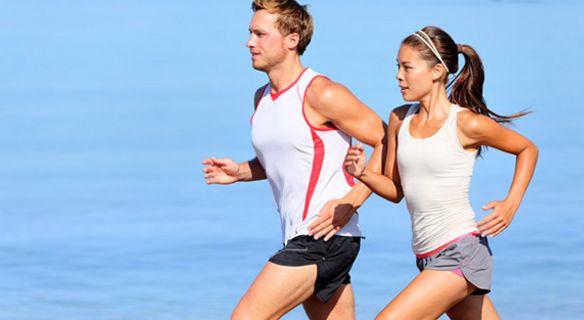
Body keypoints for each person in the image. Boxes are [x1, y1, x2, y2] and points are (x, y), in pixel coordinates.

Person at [202, 1, 386, 319]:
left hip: (322, 237)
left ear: (292, 39)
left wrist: (354, 200)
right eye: (250, 33)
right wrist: (240, 172)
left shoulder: (320, 93)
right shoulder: (262, 98)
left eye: (260, 34)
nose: (249, 42)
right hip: (308, 235)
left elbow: (387, 139)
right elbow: (290, 157)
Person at [342, 26, 538, 319]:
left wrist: (510, 205)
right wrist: (363, 174)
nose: (398, 75)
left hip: (460, 251)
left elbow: (527, 149)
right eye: (398, 66)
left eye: (407, 67)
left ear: (436, 71)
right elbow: (396, 191)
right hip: (426, 256)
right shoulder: (400, 119)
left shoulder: (465, 124)